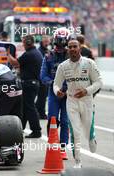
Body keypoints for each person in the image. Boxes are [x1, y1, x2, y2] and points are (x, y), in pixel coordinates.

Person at [53, 39, 103, 168]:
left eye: (75, 46)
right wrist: (57, 91)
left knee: (87, 130)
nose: (72, 49)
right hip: (71, 101)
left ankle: (92, 136)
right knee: (75, 131)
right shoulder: (63, 66)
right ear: (67, 49)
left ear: (79, 48)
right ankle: (78, 161)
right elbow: (56, 84)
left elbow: (99, 82)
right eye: (70, 47)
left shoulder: (89, 63)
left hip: (86, 100)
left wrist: (86, 91)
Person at [40, 27, 70, 158]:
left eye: (62, 41)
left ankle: (63, 148)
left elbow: (78, 75)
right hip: (53, 93)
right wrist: (55, 86)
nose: (60, 44)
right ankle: (52, 144)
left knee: (65, 121)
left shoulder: (73, 56)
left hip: (68, 94)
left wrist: (67, 89)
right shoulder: (48, 56)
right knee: (53, 119)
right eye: (58, 40)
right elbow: (43, 76)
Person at [7, 34, 42, 138]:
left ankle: (36, 130)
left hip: (29, 84)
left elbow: (15, 63)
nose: (22, 44)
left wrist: (8, 54)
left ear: (27, 43)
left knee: (30, 107)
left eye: (23, 42)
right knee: (26, 107)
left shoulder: (29, 54)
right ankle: (20, 128)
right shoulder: (36, 52)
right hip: (33, 83)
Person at [36, 35, 50, 120]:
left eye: (47, 42)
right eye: (45, 42)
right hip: (41, 76)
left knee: (43, 97)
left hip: (46, 76)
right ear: (42, 41)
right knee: (42, 96)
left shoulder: (47, 50)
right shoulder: (40, 51)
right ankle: (40, 113)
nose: (47, 43)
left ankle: (40, 112)